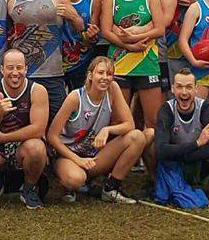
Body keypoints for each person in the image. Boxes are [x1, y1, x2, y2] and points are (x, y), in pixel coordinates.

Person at [47, 58, 146, 204]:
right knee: (76, 179)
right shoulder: (75, 97)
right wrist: (78, 160)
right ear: (90, 75)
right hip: (68, 156)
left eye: (109, 74)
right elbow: (52, 136)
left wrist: (107, 129)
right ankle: (69, 185)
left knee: (137, 137)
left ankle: (110, 188)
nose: (105, 78)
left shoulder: (113, 90)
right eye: (100, 73)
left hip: (93, 156)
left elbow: (129, 124)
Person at [98, 0, 165, 145]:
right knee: (118, 121)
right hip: (120, 63)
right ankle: (117, 165)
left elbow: (160, 29)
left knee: (153, 122)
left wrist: (134, 37)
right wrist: (129, 46)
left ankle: (154, 168)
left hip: (147, 62)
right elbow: (106, 31)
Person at [0, 50, 51, 209]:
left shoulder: (37, 90)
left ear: (26, 69)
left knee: (37, 148)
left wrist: (3, 137)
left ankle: (29, 189)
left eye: (19, 68)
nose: (15, 73)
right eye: (10, 68)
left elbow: (38, 129)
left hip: (24, 144)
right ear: (2, 69)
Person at [8, 0, 79, 115]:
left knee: (59, 122)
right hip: (22, 75)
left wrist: (74, 17)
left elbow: (78, 26)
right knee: (23, 122)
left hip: (52, 74)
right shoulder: (12, 2)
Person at [150, 70, 209, 208]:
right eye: (179, 87)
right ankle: (156, 183)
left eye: (189, 87)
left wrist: (175, 153)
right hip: (175, 163)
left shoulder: (206, 109)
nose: (184, 92)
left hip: (198, 164)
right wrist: (197, 143)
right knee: (148, 135)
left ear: (196, 89)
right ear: (172, 89)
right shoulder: (166, 109)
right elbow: (160, 151)